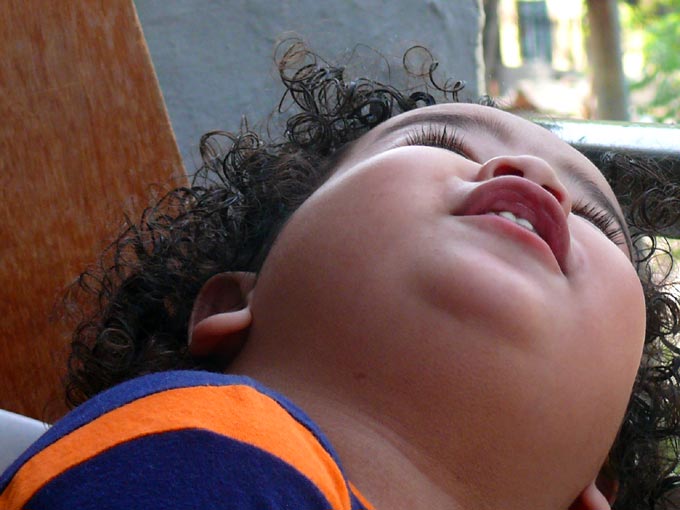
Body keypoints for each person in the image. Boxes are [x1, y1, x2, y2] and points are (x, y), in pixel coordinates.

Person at [2, 41, 680, 510]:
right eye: (440, 142)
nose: (535, 178)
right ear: (237, 300)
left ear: (598, 479)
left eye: (595, 219)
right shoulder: (204, 451)